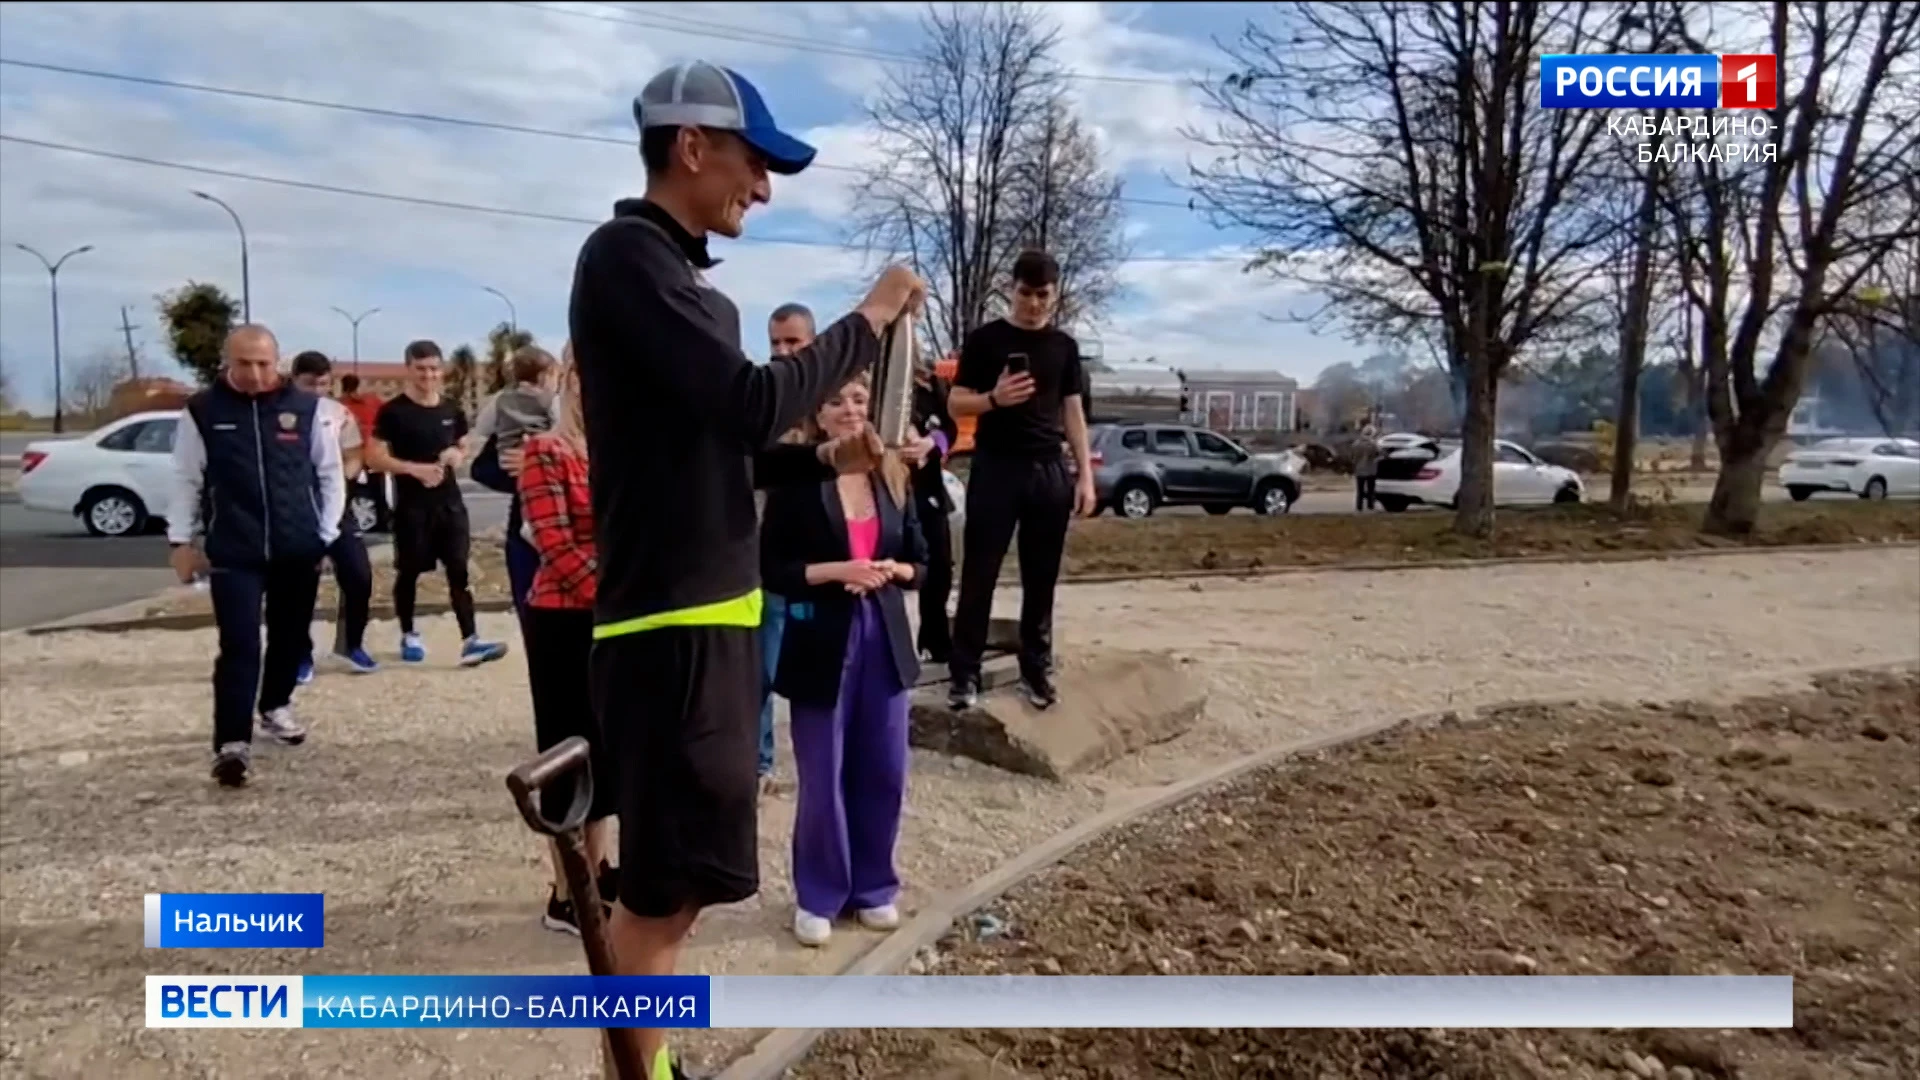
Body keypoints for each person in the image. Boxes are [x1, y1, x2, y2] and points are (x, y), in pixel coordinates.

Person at [568, 58, 922, 1080]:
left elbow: (724, 441)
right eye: (755, 163)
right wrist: (870, 322)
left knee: (683, 890)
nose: (762, 189)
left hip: (701, 626)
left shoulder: (671, 276)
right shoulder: (629, 258)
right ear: (691, 145)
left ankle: (655, 1066)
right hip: (671, 633)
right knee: (661, 902)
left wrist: (824, 455)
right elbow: (751, 403)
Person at [761, 373, 925, 947]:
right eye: (838, 401)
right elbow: (773, 570)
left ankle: (874, 887)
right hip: (820, 640)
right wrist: (838, 572)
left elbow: (923, 561)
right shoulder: (798, 481)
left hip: (883, 634)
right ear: (818, 415)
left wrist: (894, 570)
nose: (851, 409)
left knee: (883, 768)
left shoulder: (894, 476)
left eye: (860, 399)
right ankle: (819, 893)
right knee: (823, 774)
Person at [167, 325, 344, 787]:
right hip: (235, 549)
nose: (255, 372)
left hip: (297, 546)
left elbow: (330, 476)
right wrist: (180, 542)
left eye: (264, 363)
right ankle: (231, 744)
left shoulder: (309, 410)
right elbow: (186, 479)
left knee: (290, 637)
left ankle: (274, 706)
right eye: (244, 363)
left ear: (277, 361)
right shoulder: (203, 412)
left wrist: (323, 533)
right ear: (228, 362)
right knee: (241, 644)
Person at [945, 250, 1096, 713]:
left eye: (1042, 295)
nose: (1033, 303)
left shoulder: (1064, 347)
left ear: (1055, 295)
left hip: (1048, 468)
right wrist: (994, 398)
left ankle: (1036, 668)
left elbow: (1073, 411)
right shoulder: (986, 340)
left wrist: (1085, 475)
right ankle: (964, 673)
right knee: (980, 572)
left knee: (1041, 577)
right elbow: (955, 403)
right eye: (1025, 293)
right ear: (1011, 289)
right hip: (996, 466)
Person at [515, 361, 620, 936]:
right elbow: (554, 543)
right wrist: (618, 593)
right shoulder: (545, 452)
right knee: (569, 757)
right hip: (565, 619)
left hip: (614, 618)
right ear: (572, 379)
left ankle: (597, 872)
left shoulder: (619, 450)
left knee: (604, 756)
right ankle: (564, 894)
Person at [366, 340, 509, 667]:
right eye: (421, 369)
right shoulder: (394, 411)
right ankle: (408, 632)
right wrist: (412, 469)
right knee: (410, 572)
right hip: (412, 506)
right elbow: (374, 456)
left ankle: (471, 640)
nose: (428, 375)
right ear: (409, 369)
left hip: (450, 504)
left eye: (433, 368)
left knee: (459, 570)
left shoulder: (450, 408)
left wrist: (457, 455)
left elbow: (463, 446)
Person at [288, 351, 379, 680]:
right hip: (296, 511)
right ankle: (300, 654)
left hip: (337, 506)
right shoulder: (280, 413)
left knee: (359, 576)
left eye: (323, 384)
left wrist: (342, 478)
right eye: (308, 384)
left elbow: (354, 455)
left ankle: (351, 644)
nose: (316, 391)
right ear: (294, 379)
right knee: (301, 584)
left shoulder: (338, 414)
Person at [473, 345, 560, 612]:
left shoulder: (501, 400)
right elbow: (560, 427)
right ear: (547, 376)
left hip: (523, 484)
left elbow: (481, 428)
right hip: (539, 508)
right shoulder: (551, 401)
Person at [911, 357, 957, 663]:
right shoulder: (875, 380)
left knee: (939, 566)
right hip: (889, 487)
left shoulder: (933, 385)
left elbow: (949, 430)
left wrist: (931, 443)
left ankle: (936, 639)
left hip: (928, 488)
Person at [337, 373, 388, 531]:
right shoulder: (371, 402)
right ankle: (381, 522)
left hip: (361, 453)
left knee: (352, 489)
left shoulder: (342, 405)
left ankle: (381, 522)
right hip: (363, 452)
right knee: (371, 489)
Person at [1353, 423, 1381, 511]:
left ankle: (1359, 506)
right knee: (1370, 490)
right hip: (1371, 469)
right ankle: (1370, 505)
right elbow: (1378, 454)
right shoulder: (1373, 444)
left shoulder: (1356, 444)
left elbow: (1353, 457)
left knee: (1360, 490)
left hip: (1359, 469)